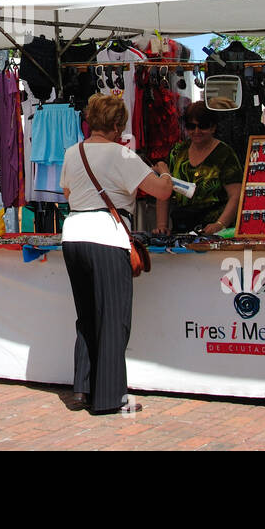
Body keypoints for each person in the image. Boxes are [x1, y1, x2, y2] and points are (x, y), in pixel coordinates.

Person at [60, 94, 175, 415]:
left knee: (87, 316)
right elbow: (162, 191)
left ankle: (82, 388)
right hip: (106, 237)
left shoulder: (73, 152)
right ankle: (110, 397)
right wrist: (164, 171)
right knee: (113, 319)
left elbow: (68, 193)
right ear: (115, 125)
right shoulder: (123, 156)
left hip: (73, 236)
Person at [152, 101, 242, 236]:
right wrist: (162, 226)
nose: (196, 131)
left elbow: (236, 195)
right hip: (182, 228)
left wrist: (220, 224)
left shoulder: (225, 154)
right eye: (191, 126)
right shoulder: (177, 152)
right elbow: (164, 189)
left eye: (203, 126)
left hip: (215, 231)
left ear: (213, 127)